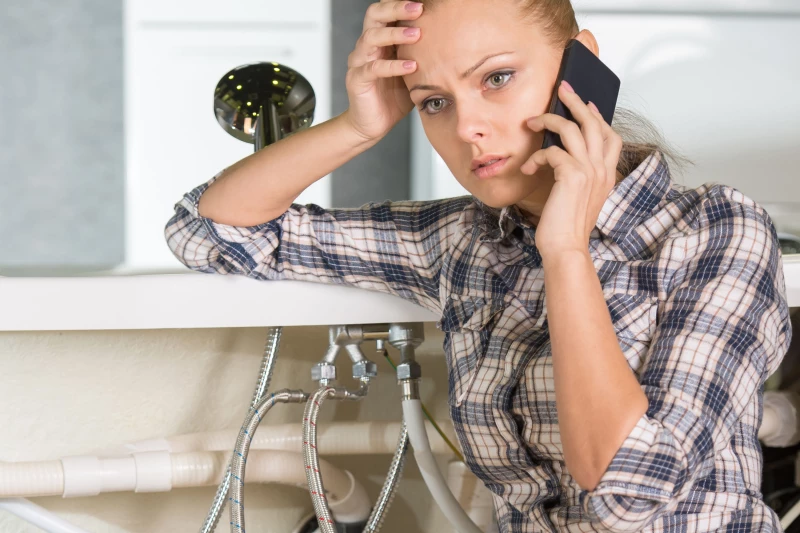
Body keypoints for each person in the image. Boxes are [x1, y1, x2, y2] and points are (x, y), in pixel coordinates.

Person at [164, 0, 793, 530]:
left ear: (583, 64)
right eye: (434, 102)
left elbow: (628, 494)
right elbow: (209, 231)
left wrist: (566, 251)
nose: (468, 127)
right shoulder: (462, 240)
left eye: (496, 78)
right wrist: (360, 126)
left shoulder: (715, 231)